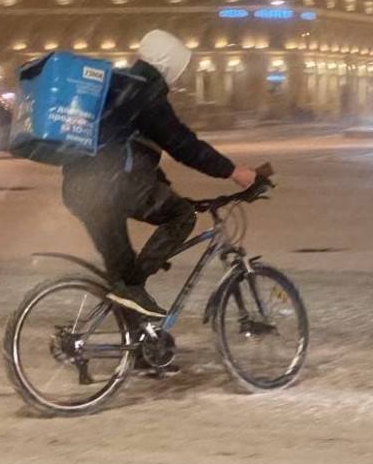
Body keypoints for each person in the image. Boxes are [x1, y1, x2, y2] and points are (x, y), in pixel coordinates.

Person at [62, 29, 258, 319]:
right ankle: (133, 290)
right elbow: (182, 144)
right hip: (111, 186)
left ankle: (139, 352)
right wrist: (233, 171)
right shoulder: (144, 92)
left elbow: (135, 154)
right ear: (169, 65)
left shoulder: (119, 86)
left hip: (81, 188)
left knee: (125, 278)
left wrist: (167, 189)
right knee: (181, 216)